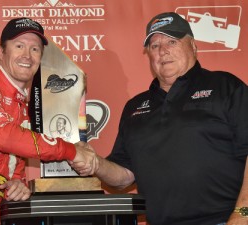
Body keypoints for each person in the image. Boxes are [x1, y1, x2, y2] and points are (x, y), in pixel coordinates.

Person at [70, 12, 248, 225]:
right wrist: (95, 163)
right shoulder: (135, 107)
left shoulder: (226, 86)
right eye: (154, 46)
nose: (163, 51)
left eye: (172, 41)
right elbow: (125, 176)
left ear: (193, 46)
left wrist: (243, 214)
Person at [0, 17, 95, 225]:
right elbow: (1, 135)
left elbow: (12, 158)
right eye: (19, 46)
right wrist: (71, 150)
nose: (27, 55)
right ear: (1, 52)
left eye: (35, 49)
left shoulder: (20, 106)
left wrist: (16, 182)